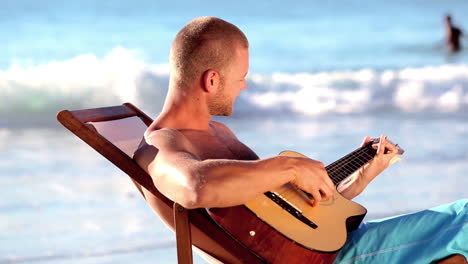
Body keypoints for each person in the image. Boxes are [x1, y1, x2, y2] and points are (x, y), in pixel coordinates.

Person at [134, 17, 467, 263]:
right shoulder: (161, 149)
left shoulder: (218, 134)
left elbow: (281, 218)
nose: (244, 87)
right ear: (212, 80)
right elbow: (195, 187)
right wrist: (289, 166)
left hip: (331, 249)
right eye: (242, 78)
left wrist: (356, 182)